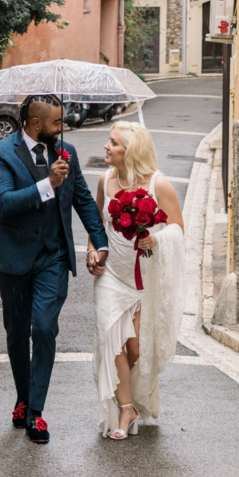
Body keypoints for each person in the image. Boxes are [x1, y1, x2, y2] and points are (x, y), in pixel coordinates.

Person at [0, 95, 109, 445]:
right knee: (17, 333)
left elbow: (82, 198)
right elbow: (5, 203)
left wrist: (100, 243)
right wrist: (46, 185)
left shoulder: (66, 152)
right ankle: (23, 398)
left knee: (45, 327)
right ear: (35, 125)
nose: (62, 128)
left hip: (53, 257)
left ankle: (35, 412)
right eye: (56, 123)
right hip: (13, 259)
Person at [90, 121, 186, 439]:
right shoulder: (105, 180)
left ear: (130, 152)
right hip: (112, 277)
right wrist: (93, 250)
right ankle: (125, 409)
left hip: (145, 280)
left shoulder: (159, 185)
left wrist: (155, 241)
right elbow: (96, 224)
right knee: (111, 339)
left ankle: (132, 395)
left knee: (136, 350)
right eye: (109, 141)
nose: (106, 146)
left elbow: (177, 228)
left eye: (113, 143)